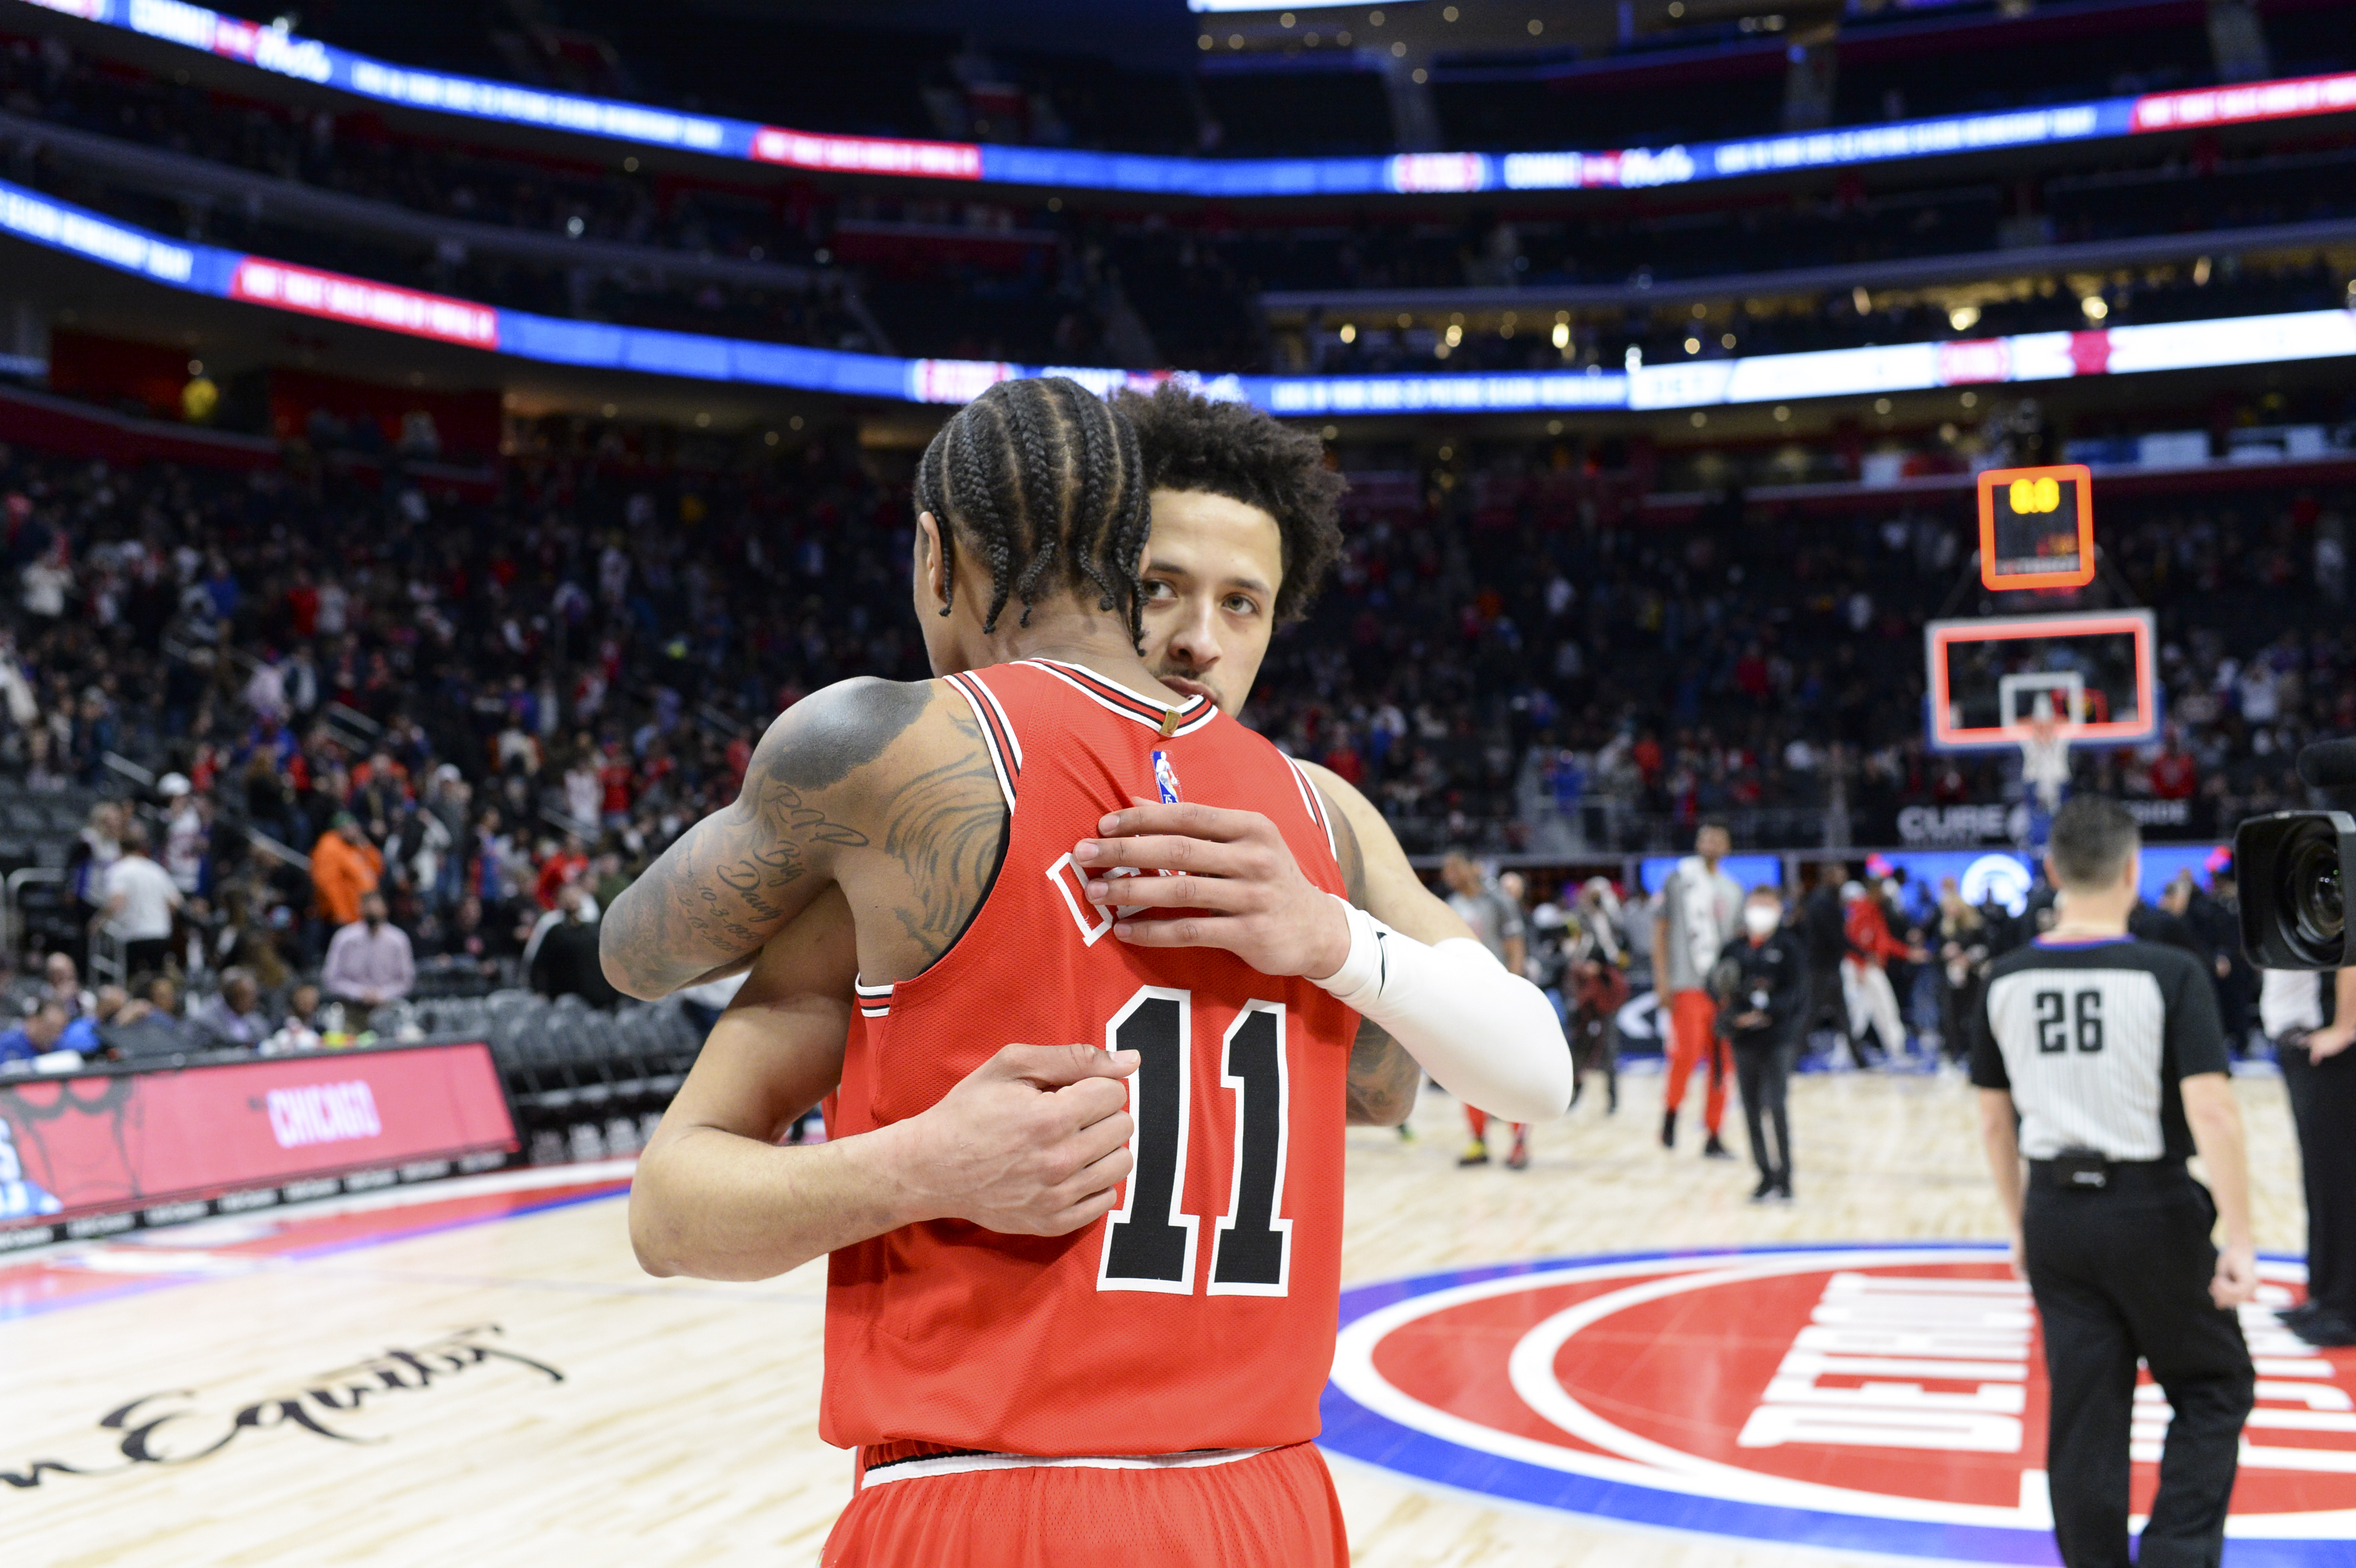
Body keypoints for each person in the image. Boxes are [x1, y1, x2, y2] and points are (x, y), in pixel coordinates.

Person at [604, 378, 1572, 1567]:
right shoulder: (1318, 819)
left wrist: (1326, 937)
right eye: (1167, 588)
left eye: (1244, 604)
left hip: (1000, 1501)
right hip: (1269, 1506)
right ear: (1119, 571)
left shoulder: (908, 773)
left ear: (937, 556)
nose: (1197, 638)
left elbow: (650, 1057)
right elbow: (1393, 1085)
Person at [1972, 796, 2256, 1568]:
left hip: (2056, 1213)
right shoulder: (2172, 972)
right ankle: (2175, 1554)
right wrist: (2240, 1235)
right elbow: (2214, 1112)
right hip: (2153, 1210)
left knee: (2084, 1416)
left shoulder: (2003, 979)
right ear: (2134, 871)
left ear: (2055, 871)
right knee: (2215, 1384)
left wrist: (2019, 1223)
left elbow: (1995, 1125)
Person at [2259, 963, 2356, 1346]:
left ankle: (2343, 1307)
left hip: (2328, 1047)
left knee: (2337, 1179)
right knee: (2321, 1178)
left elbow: (2352, 952)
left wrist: (2345, 1028)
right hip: (2302, 1043)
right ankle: (2324, 1294)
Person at [1654, 821, 1743, 1157]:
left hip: (1722, 990)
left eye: (1718, 838)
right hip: (1687, 983)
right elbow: (1660, 931)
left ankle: (1714, 1133)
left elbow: (1737, 944)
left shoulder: (1733, 889)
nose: (1711, 843)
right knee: (1686, 1055)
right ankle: (1671, 1112)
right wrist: (1662, 980)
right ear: (1697, 842)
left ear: (1727, 846)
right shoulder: (1679, 881)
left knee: (1723, 1063)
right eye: (1706, 837)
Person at [1443, 852, 1531, 1167]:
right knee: (1468, 1072)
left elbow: (1516, 947)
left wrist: (1514, 991)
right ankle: (1478, 1142)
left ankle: (1520, 1142)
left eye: (1454, 867)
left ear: (1471, 867)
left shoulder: (1498, 901)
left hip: (1499, 994)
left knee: (1509, 1073)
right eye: (1446, 869)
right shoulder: (1451, 904)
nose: (1448, 873)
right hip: (1465, 997)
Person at [1719, 886, 1806, 1203]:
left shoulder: (1789, 946)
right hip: (1744, 1040)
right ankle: (1764, 1176)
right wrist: (1734, 1018)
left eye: (1767, 904)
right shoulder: (1734, 947)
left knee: (1778, 1106)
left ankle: (1786, 1177)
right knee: (1751, 1108)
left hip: (1777, 1038)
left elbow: (1797, 994)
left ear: (1779, 909)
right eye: (1755, 904)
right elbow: (1719, 989)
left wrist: (1767, 1013)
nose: (1760, 910)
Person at [1842, 879, 1918, 1066]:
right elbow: (1850, 941)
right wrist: (1859, 966)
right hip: (1862, 968)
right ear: (1874, 890)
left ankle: (1846, 1051)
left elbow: (1885, 941)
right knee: (1877, 1008)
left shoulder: (1874, 910)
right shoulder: (1862, 910)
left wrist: (1908, 953)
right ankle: (1894, 1050)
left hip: (1869, 967)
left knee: (1863, 1011)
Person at [96, 823, 181, 981]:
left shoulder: (118, 870)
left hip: (133, 935)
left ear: (120, 848)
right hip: (159, 934)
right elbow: (175, 903)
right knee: (157, 981)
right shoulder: (156, 870)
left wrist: (98, 922)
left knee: (133, 982)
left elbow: (116, 903)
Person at [321, 890, 414, 1031]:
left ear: (385, 909)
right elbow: (331, 978)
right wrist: (360, 993)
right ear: (361, 908)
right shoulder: (345, 938)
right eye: (368, 906)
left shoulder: (398, 940)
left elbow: (406, 980)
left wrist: (382, 994)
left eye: (376, 906)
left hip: (388, 1010)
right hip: (352, 1011)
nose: (372, 911)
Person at [529, 883, 617, 1006]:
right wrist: (540, 991)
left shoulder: (594, 930)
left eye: (575, 896)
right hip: (565, 999)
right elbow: (539, 964)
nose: (572, 900)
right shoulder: (554, 931)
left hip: (598, 998)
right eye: (568, 897)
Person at [311, 811, 383, 930]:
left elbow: (377, 869)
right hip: (344, 919)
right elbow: (328, 884)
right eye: (350, 827)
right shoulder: (329, 847)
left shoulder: (354, 847)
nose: (356, 830)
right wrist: (342, 914)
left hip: (361, 917)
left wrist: (367, 847)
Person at [188, 966, 269, 1052]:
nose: (251, 1001)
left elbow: (265, 1044)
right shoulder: (204, 1021)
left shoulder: (257, 1021)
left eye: (252, 996)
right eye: (242, 996)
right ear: (227, 994)